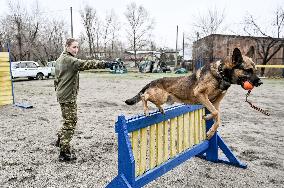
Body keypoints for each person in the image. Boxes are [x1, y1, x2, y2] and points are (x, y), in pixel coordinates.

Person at [53, 38, 105, 162]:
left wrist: (59, 92)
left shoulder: (60, 59)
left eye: (77, 47)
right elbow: (84, 64)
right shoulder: (69, 60)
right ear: (67, 47)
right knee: (71, 122)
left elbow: (56, 79)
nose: (76, 50)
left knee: (68, 120)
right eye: (73, 47)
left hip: (63, 95)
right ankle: (64, 152)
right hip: (67, 96)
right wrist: (104, 63)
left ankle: (60, 140)